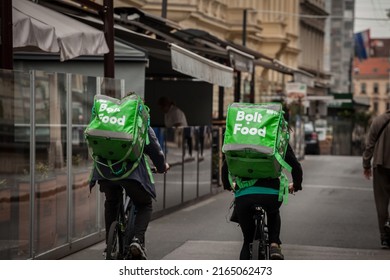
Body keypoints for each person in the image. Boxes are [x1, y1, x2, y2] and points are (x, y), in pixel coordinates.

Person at [89, 127, 169, 259]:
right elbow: (155, 150)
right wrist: (162, 167)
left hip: (104, 171)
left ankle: (110, 244)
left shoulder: (105, 116)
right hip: (131, 174)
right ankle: (137, 240)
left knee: (111, 202)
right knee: (145, 205)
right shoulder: (139, 121)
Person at [222, 143, 303, 260]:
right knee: (273, 212)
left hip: (244, 195)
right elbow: (295, 165)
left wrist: (227, 185)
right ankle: (274, 244)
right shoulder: (275, 135)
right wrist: (296, 185)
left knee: (247, 240)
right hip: (271, 194)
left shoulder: (239, 136)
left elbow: (227, 164)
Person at [362, 110, 390, 249]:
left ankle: (385, 237)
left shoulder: (378, 121)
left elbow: (370, 145)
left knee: (381, 202)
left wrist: (366, 164)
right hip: (381, 166)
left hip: (381, 166)